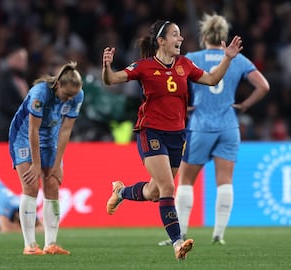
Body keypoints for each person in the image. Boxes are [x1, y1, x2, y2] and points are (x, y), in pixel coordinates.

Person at [102, 19, 243, 260]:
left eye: (180, 35)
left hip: (177, 135)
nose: (180, 39)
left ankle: (121, 191)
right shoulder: (144, 66)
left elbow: (211, 80)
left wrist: (227, 58)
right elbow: (112, 80)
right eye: (175, 35)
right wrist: (107, 67)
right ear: (161, 41)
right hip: (151, 132)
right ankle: (178, 242)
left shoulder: (185, 64)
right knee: (169, 188)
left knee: (156, 192)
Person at [158, 13, 270, 246]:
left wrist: (183, 106)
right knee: (225, 181)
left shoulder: (192, 57)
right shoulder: (237, 59)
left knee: (186, 180)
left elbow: (172, 85)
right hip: (229, 125)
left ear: (204, 35)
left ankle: (181, 234)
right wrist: (244, 105)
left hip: (200, 125)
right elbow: (263, 86)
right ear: (223, 36)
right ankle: (218, 235)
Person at [9, 61, 84, 255]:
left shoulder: (77, 95)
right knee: (31, 185)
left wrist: (58, 163)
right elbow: (33, 129)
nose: (69, 100)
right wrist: (35, 164)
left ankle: (50, 243)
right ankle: (30, 245)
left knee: (52, 185)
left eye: (73, 96)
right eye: (67, 95)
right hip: (24, 138)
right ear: (58, 85)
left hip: (50, 139)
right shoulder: (40, 93)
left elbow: (66, 130)